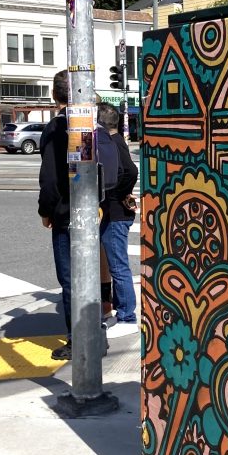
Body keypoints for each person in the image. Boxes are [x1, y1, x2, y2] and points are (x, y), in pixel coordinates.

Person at [38, 70, 73, 360]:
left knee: (70, 278)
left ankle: (77, 339)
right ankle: (93, 331)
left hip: (64, 213)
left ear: (54, 94)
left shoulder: (54, 129)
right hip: (93, 210)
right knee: (90, 274)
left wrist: (46, 211)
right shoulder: (92, 124)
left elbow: (49, 178)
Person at [97, 102, 138, 338]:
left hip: (115, 212)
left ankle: (126, 314)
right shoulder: (116, 142)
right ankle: (122, 311)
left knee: (118, 265)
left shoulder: (113, 144)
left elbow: (130, 172)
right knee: (117, 263)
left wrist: (117, 192)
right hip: (117, 211)